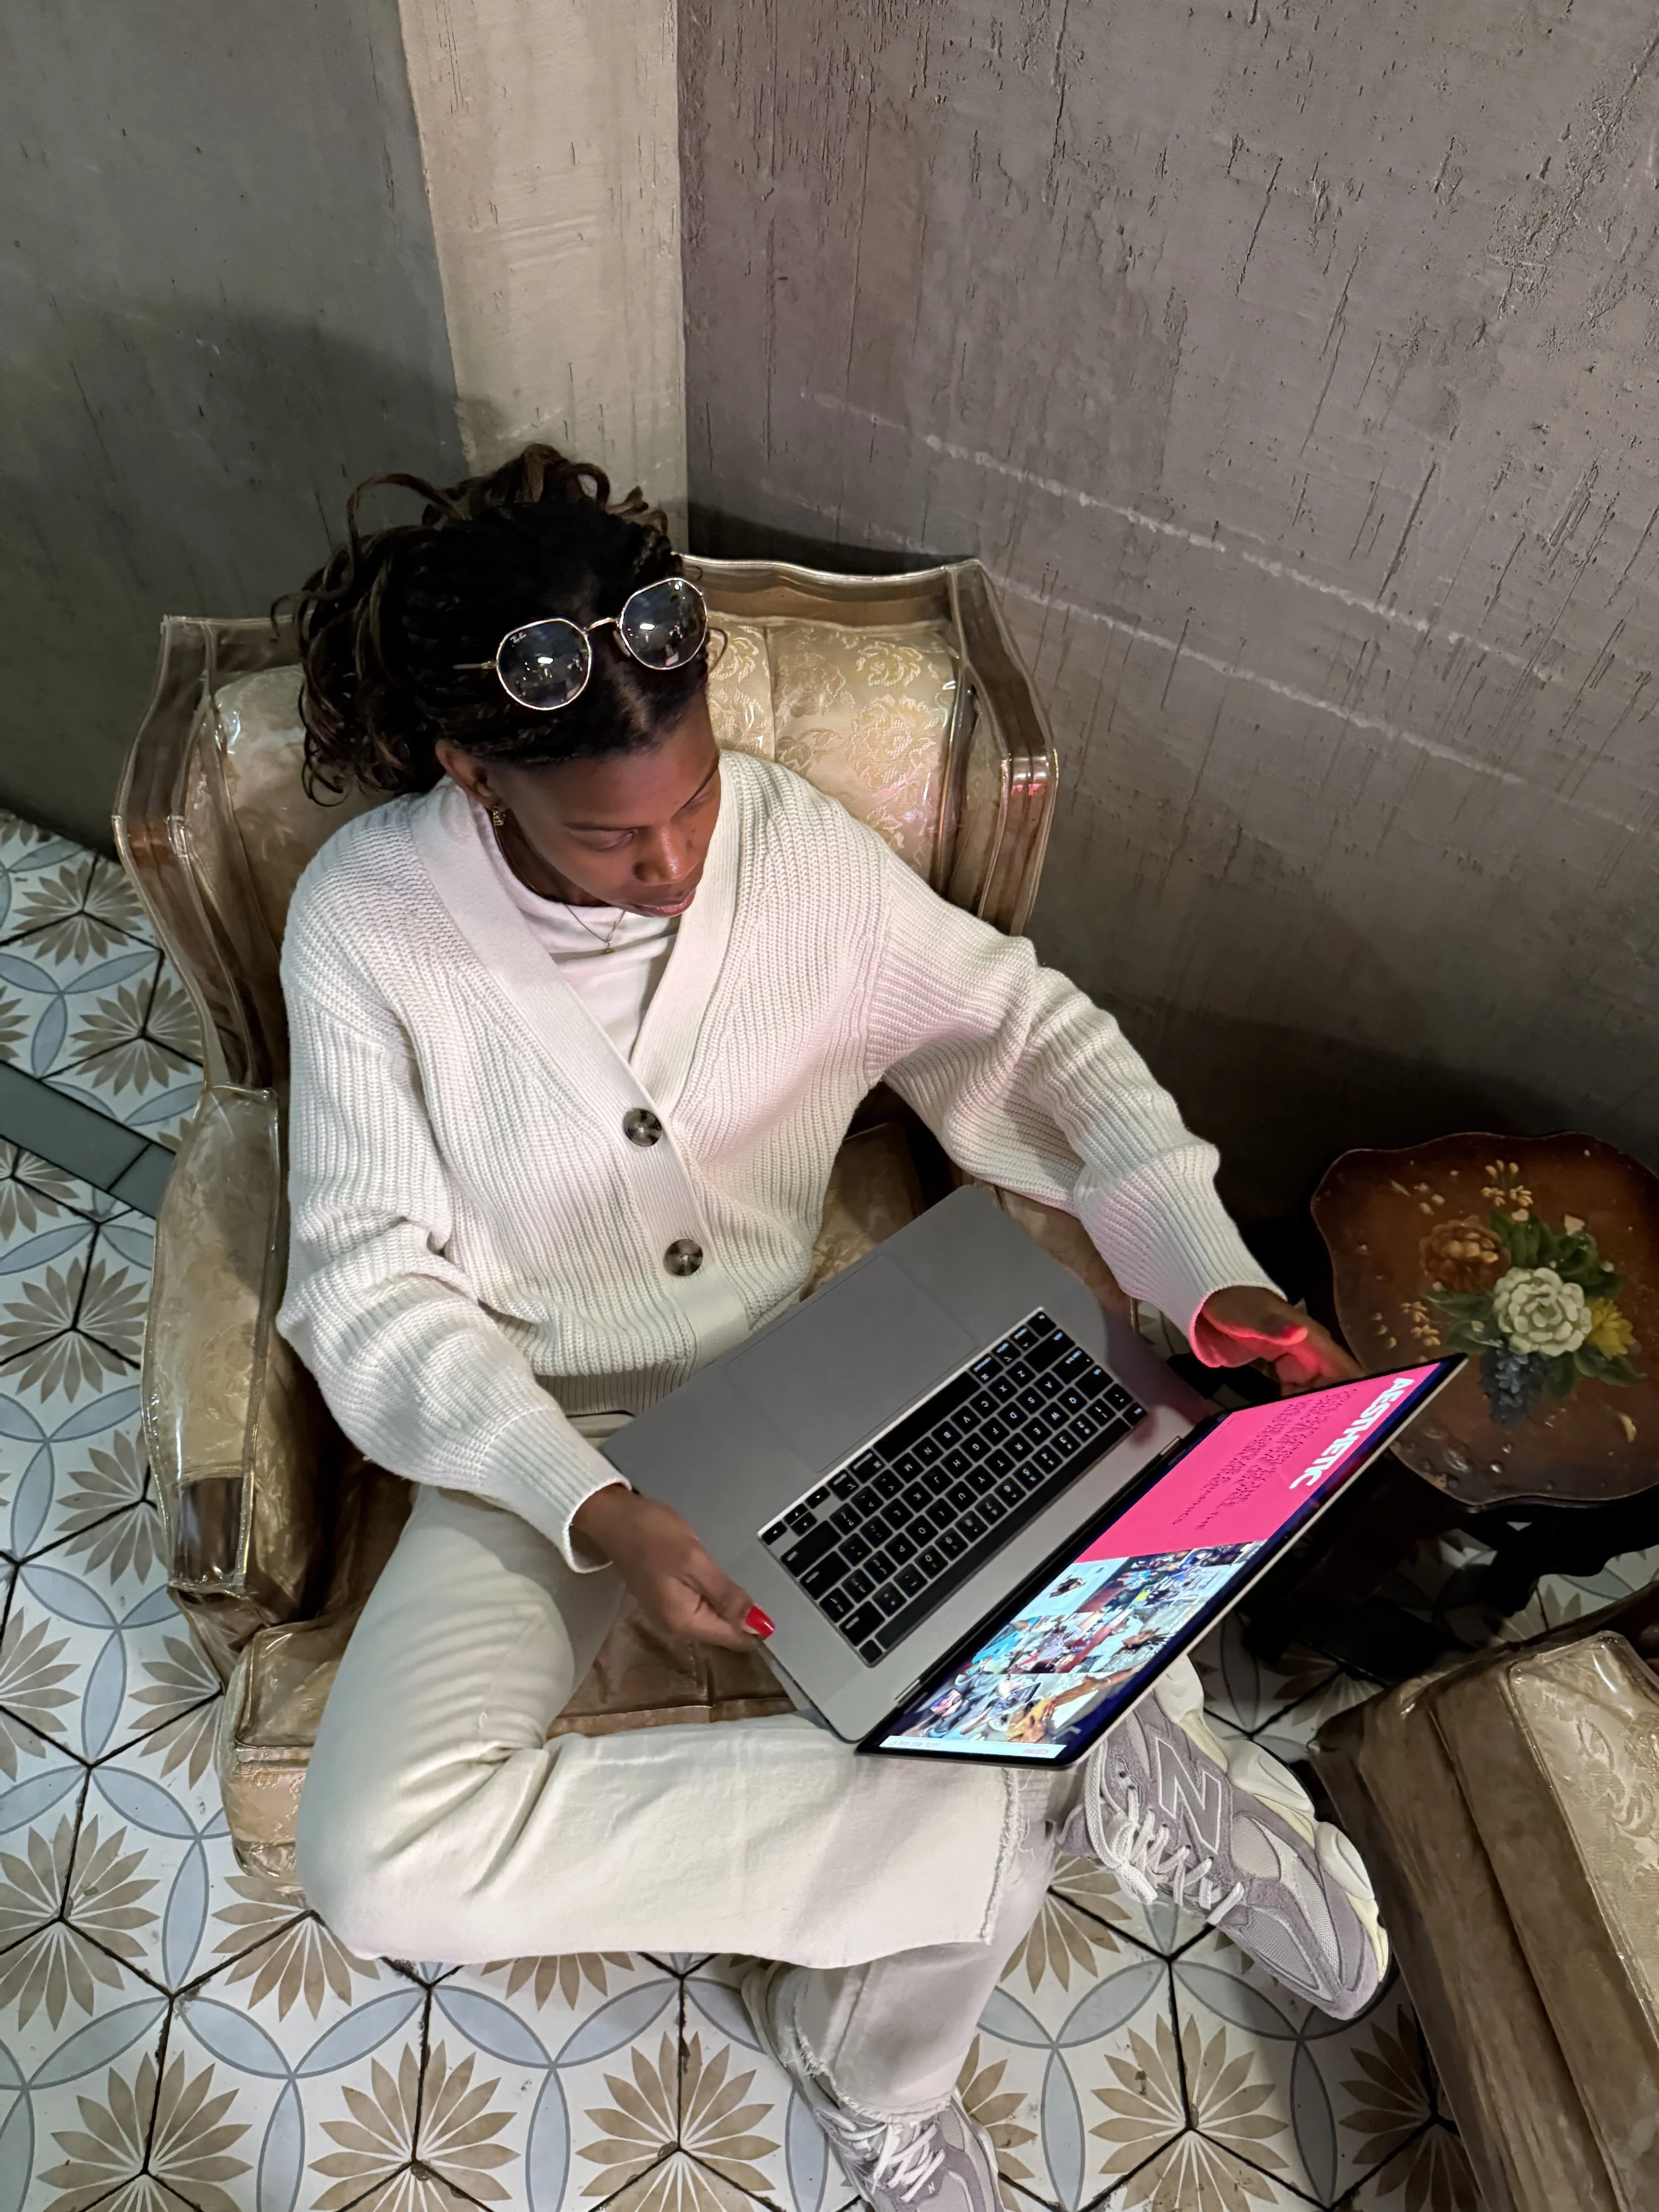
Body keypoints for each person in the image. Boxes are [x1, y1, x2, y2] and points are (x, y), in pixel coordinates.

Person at [277, 447, 1388, 2212]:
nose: (670, 864)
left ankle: (887, 2055)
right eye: (609, 836)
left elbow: (1023, 1042)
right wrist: (588, 1505)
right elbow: (360, 1282)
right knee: (370, 1859)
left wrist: (1200, 1272)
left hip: (816, 1370)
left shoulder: (791, 853)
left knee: (1106, 1486)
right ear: (469, 769)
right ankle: (1033, 1795)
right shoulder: (365, 921)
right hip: (534, 1432)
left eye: (692, 805)